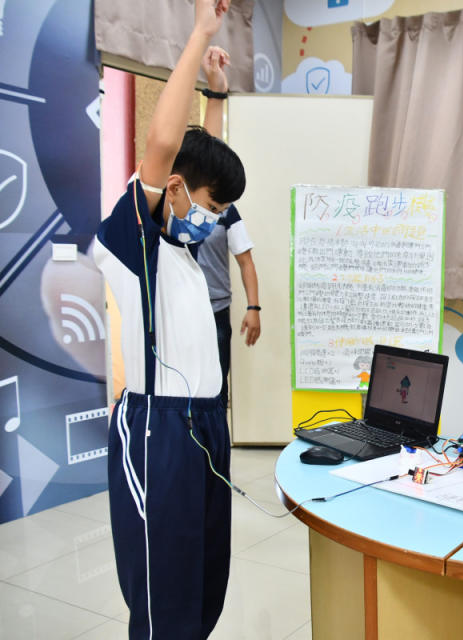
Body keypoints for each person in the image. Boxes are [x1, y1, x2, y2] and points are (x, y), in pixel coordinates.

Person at [92, 2, 244, 637]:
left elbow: (199, 163)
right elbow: (165, 145)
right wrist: (199, 35)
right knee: (164, 592)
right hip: (160, 430)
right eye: (213, 205)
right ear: (172, 190)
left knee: (206, 573)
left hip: (207, 421)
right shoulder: (137, 240)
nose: (217, 219)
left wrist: (217, 96)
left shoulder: (183, 245)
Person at [195, 46, 261, 409]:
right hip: (179, 312)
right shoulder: (170, 219)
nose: (213, 210)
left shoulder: (224, 212)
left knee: (217, 390)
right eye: (211, 204)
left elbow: (246, 261)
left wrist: (254, 307)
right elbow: (202, 167)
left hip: (216, 308)